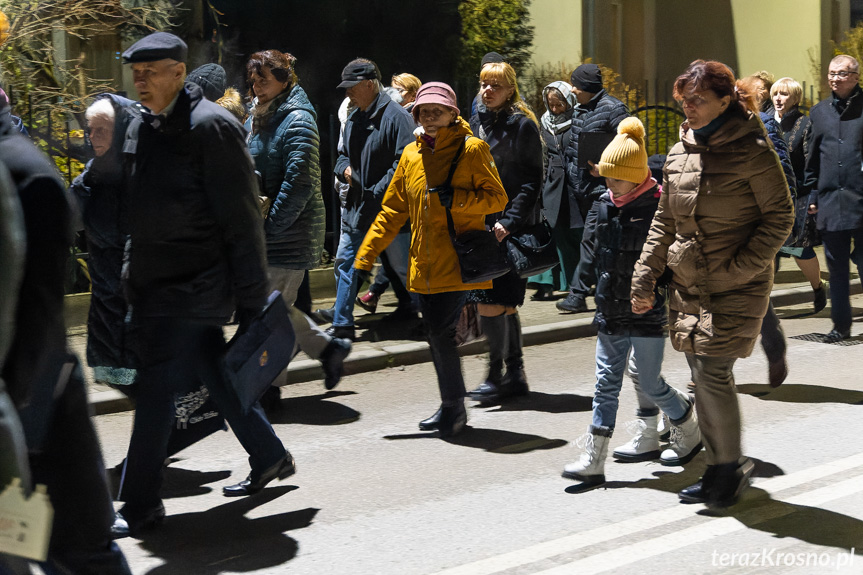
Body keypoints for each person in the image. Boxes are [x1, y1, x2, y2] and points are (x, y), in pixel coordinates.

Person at [116, 32, 294, 535]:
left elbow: (240, 218)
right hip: (155, 287)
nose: (141, 81)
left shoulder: (213, 128)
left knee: (153, 394)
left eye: (151, 72)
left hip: (194, 289)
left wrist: (252, 297)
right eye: (136, 73)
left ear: (178, 72)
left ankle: (139, 505)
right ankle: (269, 453)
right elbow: (138, 212)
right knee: (217, 377)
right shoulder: (142, 127)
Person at [631, 60, 793, 508]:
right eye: (684, 100)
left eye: (698, 99)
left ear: (726, 101)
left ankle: (727, 468)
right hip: (690, 281)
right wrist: (645, 275)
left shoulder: (753, 148)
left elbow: (780, 217)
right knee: (701, 374)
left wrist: (744, 265)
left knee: (713, 372)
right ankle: (722, 466)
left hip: (738, 281)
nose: (689, 108)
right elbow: (665, 220)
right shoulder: (681, 150)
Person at [0, 87, 131, 572]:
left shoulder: (24, 173)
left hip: (39, 411)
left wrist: (14, 407)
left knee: (75, 553)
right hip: (28, 409)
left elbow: (37, 317)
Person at [355, 82, 508, 436]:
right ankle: (450, 406)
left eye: (437, 110)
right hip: (422, 265)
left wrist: (455, 199)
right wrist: (366, 255)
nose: (430, 116)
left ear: (453, 113)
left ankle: (453, 409)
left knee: (439, 333)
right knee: (437, 337)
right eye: (424, 111)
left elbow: (496, 198)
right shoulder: (411, 155)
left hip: (456, 262)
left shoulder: (472, 149)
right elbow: (392, 211)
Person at [562, 118, 701, 484]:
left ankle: (685, 420)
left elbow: (668, 262)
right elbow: (595, 254)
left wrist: (653, 294)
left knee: (650, 380)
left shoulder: (657, 208)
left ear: (638, 177)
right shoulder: (604, 204)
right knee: (605, 382)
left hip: (645, 310)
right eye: (606, 178)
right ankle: (595, 457)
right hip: (610, 308)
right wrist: (583, 290)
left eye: (617, 178)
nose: (610, 185)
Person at [245, 49, 351, 390]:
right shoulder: (258, 116)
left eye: (264, 79)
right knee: (272, 310)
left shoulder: (298, 120)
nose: (256, 86)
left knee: (269, 316)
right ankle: (328, 347)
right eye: (254, 79)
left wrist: (270, 227)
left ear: (284, 79)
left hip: (289, 233)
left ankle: (268, 389)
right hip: (265, 230)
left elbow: (300, 184)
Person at [466, 62, 542, 404]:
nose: (488, 90)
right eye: (484, 84)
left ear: (510, 89)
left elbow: (531, 181)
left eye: (495, 85)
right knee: (504, 305)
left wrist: (509, 221)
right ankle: (515, 374)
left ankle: (496, 374)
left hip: (507, 227)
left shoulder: (522, 125)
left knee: (493, 303)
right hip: (481, 222)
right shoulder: (477, 122)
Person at [332, 58, 415, 340]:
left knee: (402, 268)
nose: (348, 93)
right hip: (358, 208)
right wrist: (343, 168)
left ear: (369, 84)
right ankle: (341, 322)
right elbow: (343, 155)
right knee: (346, 262)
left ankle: (423, 314)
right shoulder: (354, 117)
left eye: (352, 87)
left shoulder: (398, 117)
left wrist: (374, 192)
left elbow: (403, 163)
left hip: (388, 213)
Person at [736, 73, 797, 387]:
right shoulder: (708, 135)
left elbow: (785, 181)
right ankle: (710, 370)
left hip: (757, 233)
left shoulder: (766, 130)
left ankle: (774, 350)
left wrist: (777, 231)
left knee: (755, 300)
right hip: (723, 233)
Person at [558, 63, 630, 314]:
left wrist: (606, 168)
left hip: (603, 189)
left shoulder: (614, 109)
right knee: (599, 243)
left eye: (575, 84)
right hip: (581, 189)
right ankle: (609, 294)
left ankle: (577, 295)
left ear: (587, 86)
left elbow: (630, 149)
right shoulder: (580, 109)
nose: (572, 89)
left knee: (590, 240)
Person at [804, 54, 863, 342]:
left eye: (841, 74)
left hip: (861, 200)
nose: (834, 78)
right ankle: (840, 327)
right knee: (836, 270)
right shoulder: (819, 112)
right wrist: (813, 193)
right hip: (830, 202)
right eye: (831, 73)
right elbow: (812, 159)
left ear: (855, 77)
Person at [771, 76, 826, 313]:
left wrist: (813, 197)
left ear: (794, 98)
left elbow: (811, 163)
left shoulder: (805, 125)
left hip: (799, 196)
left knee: (798, 248)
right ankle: (761, 301)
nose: (778, 98)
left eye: (784, 94)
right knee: (767, 248)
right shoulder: (766, 122)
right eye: (775, 93)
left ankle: (817, 287)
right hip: (770, 197)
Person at [534, 81, 579, 301]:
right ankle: (552, 283)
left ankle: (578, 282)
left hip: (573, 184)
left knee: (575, 233)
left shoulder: (578, 120)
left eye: (559, 104)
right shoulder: (544, 123)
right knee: (554, 231)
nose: (554, 110)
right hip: (552, 183)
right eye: (551, 105)